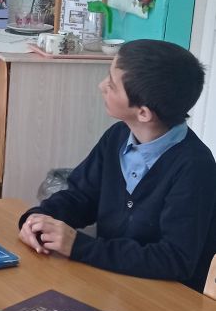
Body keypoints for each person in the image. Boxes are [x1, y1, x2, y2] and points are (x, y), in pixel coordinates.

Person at [18, 40, 216, 292]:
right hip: (112, 284)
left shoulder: (195, 167)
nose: (102, 86)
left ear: (143, 113)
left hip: (164, 298)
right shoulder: (117, 137)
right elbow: (82, 197)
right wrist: (39, 218)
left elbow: (174, 260)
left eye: (112, 85)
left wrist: (78, 246)